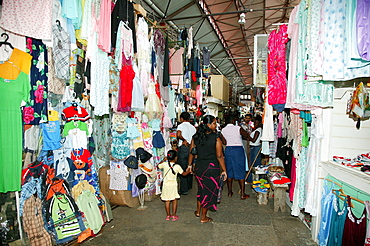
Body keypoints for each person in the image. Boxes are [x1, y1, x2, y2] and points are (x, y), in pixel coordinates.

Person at [188, 115, 227, 223]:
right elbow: (219, 156)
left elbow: (191, 152)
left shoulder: (196, 137)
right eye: (214, 123)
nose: (216, 125)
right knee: (208, 192)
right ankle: (203, 217)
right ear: (208, 125)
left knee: (201, 189)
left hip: (199, 167)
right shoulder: (216, 138)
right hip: (211, 168)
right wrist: (224, 170)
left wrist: (189, 165)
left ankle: (198, 211)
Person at [221, 115, 251, 199]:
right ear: (233, 120)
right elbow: (246, 134)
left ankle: (230, 192)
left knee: (229, 170)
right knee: (240, 170)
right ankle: (242, 194)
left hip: (228, 149)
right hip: (238, 149)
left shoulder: (223, 130)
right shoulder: (238, 128)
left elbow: (224, 142)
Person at [158, 150, 191, 221]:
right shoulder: (177, 166)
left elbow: (158, 166)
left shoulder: (164, 164)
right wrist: (189, 171)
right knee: (174, 200)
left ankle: (168, 215)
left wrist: (164, 160)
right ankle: (174, 215)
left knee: (167, 200)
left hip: (165, 185)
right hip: (173, 185)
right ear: (176, 158)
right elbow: (184, 174)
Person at [176, 112, 196, 195]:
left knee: (182, 167)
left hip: (184, 147)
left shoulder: (181, 126)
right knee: (189, 165)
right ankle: (189, 185)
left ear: (181, 118)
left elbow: (178, 134)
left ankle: (184, 189)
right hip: (192, 148)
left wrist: (184, 140)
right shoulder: (193, 127)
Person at [246, 115, 263, 183]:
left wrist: (248, 137)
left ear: (259, 123)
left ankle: (252, 179)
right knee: (255, 163)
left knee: (254, 164)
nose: (255, 124)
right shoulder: (257, 130)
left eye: (256, 123)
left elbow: (253, 140)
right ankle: (256, 179)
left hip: (255, 147)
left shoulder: (258, 130)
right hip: (254, 147)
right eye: (254, 123)